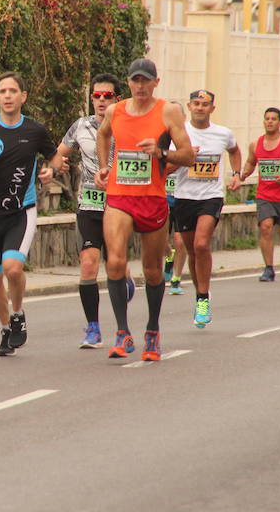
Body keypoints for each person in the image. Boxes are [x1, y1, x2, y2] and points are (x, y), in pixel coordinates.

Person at [0, 72, 66, 356]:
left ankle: (18, 313)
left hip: (21, 212)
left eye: (13, 91)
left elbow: (55, 158)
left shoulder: (35, 130)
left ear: (23, 97)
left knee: (12, 267)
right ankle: (7, 327)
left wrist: (49, 171)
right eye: (2, 91)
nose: (7, 95)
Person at [94, 58, 194, 361]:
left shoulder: (168, 111)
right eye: (135, 80)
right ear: (128, 83)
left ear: (155, 82)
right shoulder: (115, 110)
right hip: (120, 196)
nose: (140, 86)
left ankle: (152, 330)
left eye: (145, 81)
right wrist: (103, 167)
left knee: (152, 271)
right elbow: (103, 134)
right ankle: (123, 333)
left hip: (152, 199)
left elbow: (188, 156)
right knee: (115, 262)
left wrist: (161, 152)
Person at [56, 73, 134, 349]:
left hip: (120, 204)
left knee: (116, 262)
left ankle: (123, 314)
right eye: (96, 96)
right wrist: (54, 166)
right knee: (89, 263)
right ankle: (93, 328)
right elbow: (59, 154)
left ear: (117, 99)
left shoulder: (127, 125)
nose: (101, 101)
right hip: (89, 204)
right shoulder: (80, 126)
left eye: (107, 96)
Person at [170, 89, 242, 329]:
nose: (200, 107)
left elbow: (234, 150)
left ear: (212, 108)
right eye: (196, 103)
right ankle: (201, 292)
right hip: (184, 196)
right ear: (189, 106)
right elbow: (166, 167)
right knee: (192, 251)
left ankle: (203, 298)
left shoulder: (223, 133)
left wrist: (237, 174)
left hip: (211, 196)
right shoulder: (178, 133)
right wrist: (185, 157)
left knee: (201, 244)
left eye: (205, 104)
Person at [240, 107, 280, 281]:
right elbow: (250, 162)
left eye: (273, 119)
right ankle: (268, 268)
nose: (269, 121)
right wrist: (243, 175)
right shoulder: (256, 144)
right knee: (266, 228)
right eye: (267, 118)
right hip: (265, 195)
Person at [163, 102, 188, 295]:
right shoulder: (159, 137)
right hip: (161, 195)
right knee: (160, 238)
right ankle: (168, 255)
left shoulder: (189, 138)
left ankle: (176, 279)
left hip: (182, 196)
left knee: (181, 240)